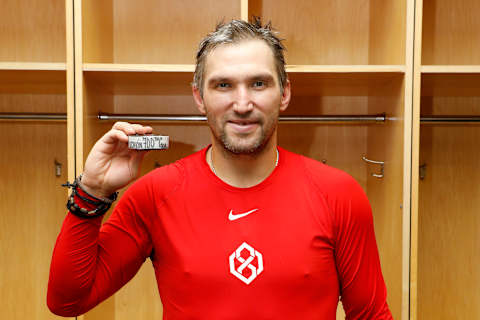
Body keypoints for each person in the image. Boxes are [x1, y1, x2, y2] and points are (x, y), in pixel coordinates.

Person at [47, 18, 393, 319]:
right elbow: (68, 300)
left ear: (284, 94)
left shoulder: (338, 194)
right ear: (199, 97)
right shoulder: (156, 194)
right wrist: (91, 191)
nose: (242, 104)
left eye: (259, 83)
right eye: (223, 85)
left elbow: (371, 314)